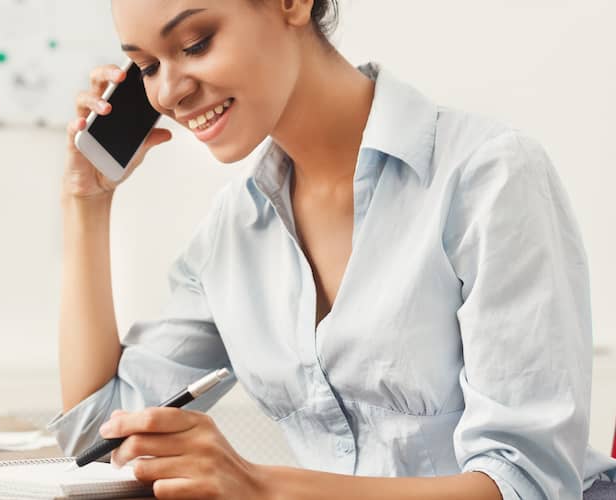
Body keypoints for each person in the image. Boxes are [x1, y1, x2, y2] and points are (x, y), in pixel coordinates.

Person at [51, 1, 616, 498]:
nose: (169, 91)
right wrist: (86, 199)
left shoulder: (488, 175)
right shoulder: (235, 231)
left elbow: (527, 485)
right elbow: (100, 430)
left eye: (195, 44)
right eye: (147, 67)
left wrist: (259, 487)